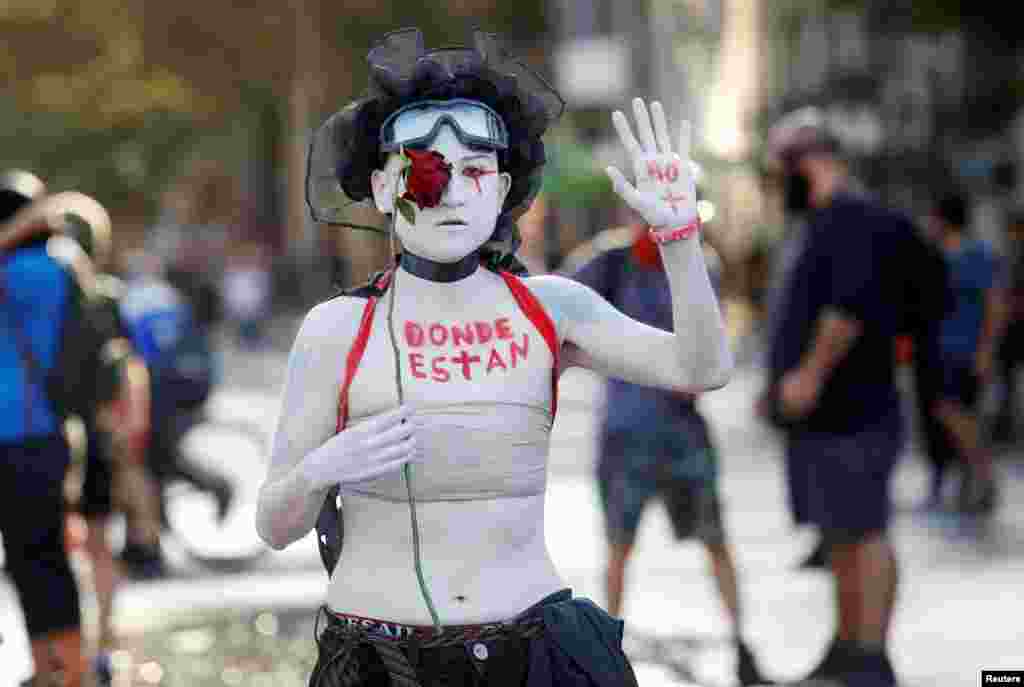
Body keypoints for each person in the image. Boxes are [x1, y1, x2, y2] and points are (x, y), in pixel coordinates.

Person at [255, 28, 731, 687]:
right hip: (375, 661)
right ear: (383, 186)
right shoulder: (337, 329)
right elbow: (274, 525)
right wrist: (318, 470)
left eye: (475, 170)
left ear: (504, 185)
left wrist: (679, 237)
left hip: (530, 656)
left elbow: (701, 368)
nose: (452, 191)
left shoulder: (551, 308)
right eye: (426, 169)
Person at [761, 108, 933, 687]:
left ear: (807, 163)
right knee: (839, 532)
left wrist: (808, 375)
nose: (777, 183)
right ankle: (848, 646)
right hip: (829, 417)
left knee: (865, 530)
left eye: (780, 170)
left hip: (856, 408)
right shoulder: (823, 221)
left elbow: (848, 309)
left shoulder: (851, 218)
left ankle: (872, 658)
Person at [563, 215, 771, 685]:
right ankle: (606, 659)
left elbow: (714, 339)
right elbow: (558, 316)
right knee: (618, 550)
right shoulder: (608, 262)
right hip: (626, 435)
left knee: (715, 542)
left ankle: (742, 646)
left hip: (682, 435)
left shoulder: (698, 264)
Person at [1, 171, 122, 687]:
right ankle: (66, 671)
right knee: (45, 558)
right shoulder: (63, 264)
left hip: (17, 435)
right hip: (51, 434)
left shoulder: (16, 271)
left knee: (32, 563)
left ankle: (52, 670)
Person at [60, 211, 158, 681]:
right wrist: (132, 427)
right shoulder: (109, 298)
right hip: (100, 434)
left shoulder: (43, 292)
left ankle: (66, 649)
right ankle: (102, 640)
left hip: (48, 434)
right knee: (99, 544)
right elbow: (132, 367)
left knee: (58, 547)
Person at [118, 250, 228, 577]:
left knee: (148, 465)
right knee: (151, 464)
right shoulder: (170, 298)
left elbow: (138, 357)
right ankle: (144, 545)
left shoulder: (128, 302)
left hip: (155, 391)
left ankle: (147, 547)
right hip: (185, 388)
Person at [923, 191, 1006, 514]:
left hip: (967, 350)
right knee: (950, 414)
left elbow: (994, 303)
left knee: (955, 413)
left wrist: (986, 349)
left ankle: (983, 475)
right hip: (942, 350)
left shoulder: (976, 255)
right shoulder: (938, 255)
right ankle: (971, 479)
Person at [990, 208, 1024, 444]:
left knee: (1007, 380)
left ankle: (1005, 426)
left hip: (1013, 326)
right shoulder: (1010, 255)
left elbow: (1004, 291)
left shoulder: (1012, 255)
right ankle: (1005, 425)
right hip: (1012, 326)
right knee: (1006, 380)